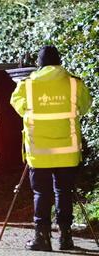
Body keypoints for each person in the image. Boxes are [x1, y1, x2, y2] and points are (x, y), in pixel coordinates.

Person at [10, 45, 92, 251]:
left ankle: (42, 238)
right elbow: (85, 106)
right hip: (67, 151)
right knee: (64, 192)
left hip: (39, 152)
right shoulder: (74, 84)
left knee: (41, 193)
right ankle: (66, 238)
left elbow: (18, 106)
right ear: (59, 62)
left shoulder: (27, 86)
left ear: (39, 63)